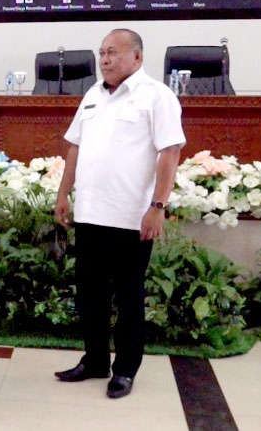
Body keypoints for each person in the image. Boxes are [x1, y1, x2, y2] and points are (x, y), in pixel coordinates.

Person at [53, 29, 185, 398]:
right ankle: (95, 360)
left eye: (112, 52)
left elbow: (170, 152)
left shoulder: (156, 96)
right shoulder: (93, 95)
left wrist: (157, 206)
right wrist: (64, 194)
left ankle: (125, 369)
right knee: (89, 294)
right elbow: (75, 148)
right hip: (90, 214)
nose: (104, 59)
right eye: (101, 53)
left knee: (128, 297)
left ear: (137, 58)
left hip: (130, 217)